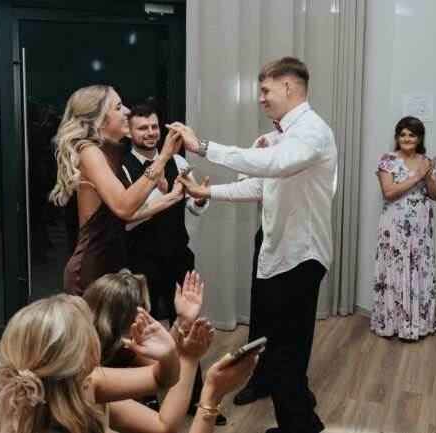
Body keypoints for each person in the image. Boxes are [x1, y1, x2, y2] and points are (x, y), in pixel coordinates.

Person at [172, 56, 336, 433]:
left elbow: (272, 164)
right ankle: (305, 425)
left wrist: (203, 147)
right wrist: (207, 191)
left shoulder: (311, 132)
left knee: (280, 355)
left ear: (287, 87)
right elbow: (261, 184)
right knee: (285, 351)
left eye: (265, 90)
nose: (261, 99)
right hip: (280, 254)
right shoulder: (283, 137)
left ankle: (298, 428)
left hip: (300, 256)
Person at [0, 293, 258, 433]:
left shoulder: (85, 382)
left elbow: (160, 382)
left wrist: (172, 350)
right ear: (82, 354)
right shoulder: (87, 384)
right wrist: (211, 396)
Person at [121, 104, 216, 422]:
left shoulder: (179, 162)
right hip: (141, 260)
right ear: (130, 132)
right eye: (142, 128)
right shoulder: (122, 169)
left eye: (153, 127)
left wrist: (199, 199)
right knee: (142, 330)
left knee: (188, 326)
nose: (150, 133)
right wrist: (165, 198)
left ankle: (194, 398)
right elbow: (126, 219)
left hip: (178, 257)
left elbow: (193, 206)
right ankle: (146, 398)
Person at [48, 85, 183, 295]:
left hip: (110, 264)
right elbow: (124, 207)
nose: (127, 111)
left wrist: (173, 197)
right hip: (92, 268)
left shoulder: (108, 153)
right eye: (119, 107)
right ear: (98, 120)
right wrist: (163, 157)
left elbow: (127, 213)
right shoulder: (90, 152)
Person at [84, 269, 225, 432]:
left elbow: (162, 368)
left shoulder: (119, 348)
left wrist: (183, 320)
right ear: (128, 324)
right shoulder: (90, 382)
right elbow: (163, 426)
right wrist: (190, 359)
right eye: (145, 311)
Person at [370, 116, 436, 339]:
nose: (407, 139)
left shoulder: (426, 161)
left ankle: (418, 325)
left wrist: (427, 175)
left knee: (419, 268)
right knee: (396, 268)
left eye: (412, 135)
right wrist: (417, 176)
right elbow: (388, 192)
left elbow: (435, 195)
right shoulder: (388, 160)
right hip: (395, 225)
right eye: (402, 135)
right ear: (397, 137)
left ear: (419, 138)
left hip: (420, 227)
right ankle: (393, 325)